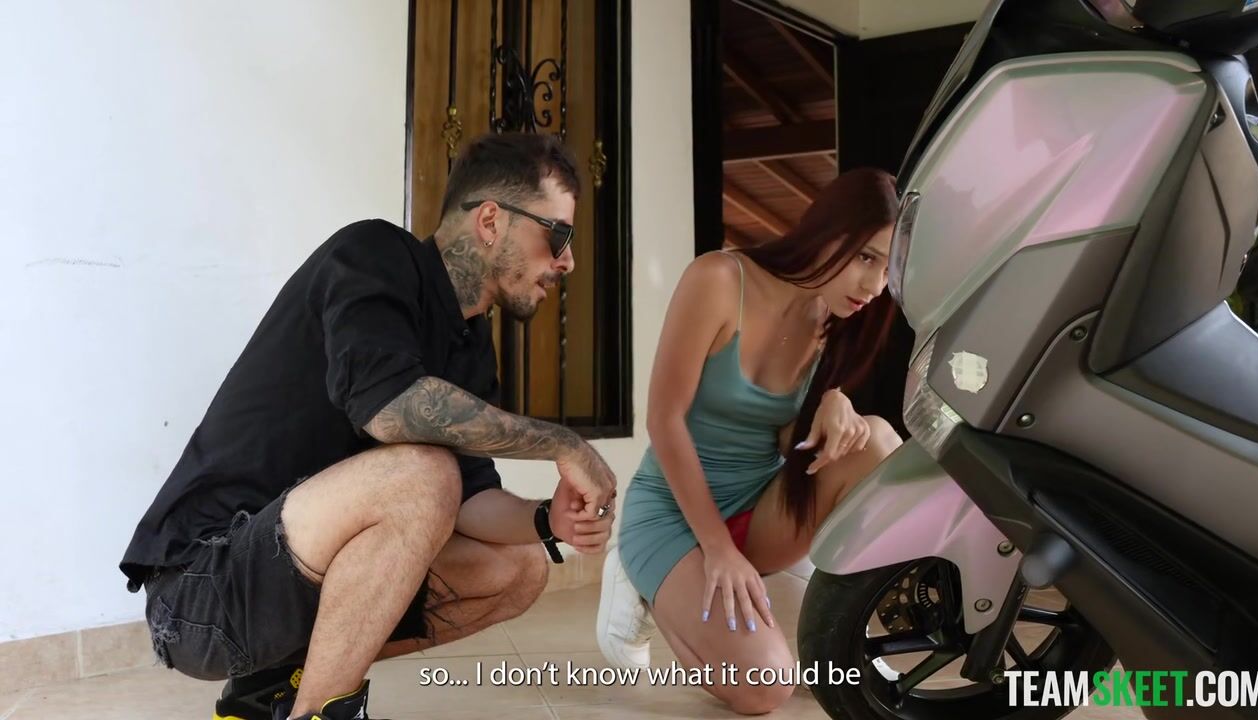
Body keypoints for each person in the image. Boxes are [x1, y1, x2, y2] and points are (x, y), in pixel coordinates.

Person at [120, 133, 618, 720]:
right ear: (490, 220)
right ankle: (320, 712)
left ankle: (269, 692)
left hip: (285, 583)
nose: (567, 262)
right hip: (201, 585)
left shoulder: (470, 345)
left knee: (521, 567)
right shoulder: (374, 255)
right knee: (424, 473)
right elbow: (387, 407)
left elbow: (470, 500)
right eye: (559, 236)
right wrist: (563, 443)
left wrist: (545, 519)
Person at [596, 168, 904, 715]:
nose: (874, 286)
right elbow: (664, 420)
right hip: (674, 513)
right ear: (829, 231)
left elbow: (785, 443)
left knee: (877, 440)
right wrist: (716, 549)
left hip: (759, 511)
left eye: (888, 268)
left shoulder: (827, 316)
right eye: (866, 257)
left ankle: (840, 624)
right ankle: (641, 579)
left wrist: (833, 403)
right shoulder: (718, 279)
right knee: (765, 687)